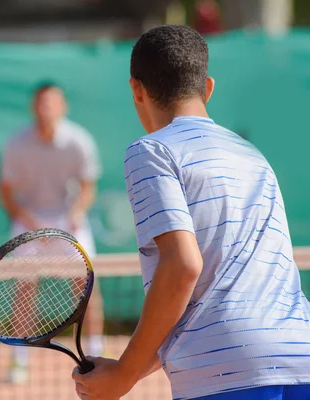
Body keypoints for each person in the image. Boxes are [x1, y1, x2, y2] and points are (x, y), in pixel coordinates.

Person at [71, 24, 310, 400]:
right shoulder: (252, 156)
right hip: (301, 354)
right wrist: (128, 368)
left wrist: (125, 375)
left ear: (136, 90)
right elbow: (208, 294)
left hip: (226, 376)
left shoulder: (151, 151)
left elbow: (182, 268)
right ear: (208, 88)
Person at [0, 82, 105, 384]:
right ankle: (19, 361)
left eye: (51, 103)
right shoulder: (16, 144)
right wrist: (27, 219)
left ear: (63, 108)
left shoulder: (78, 141)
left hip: (67, 219)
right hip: (29, 220)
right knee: (23, 289)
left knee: (87, 287)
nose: (45, 109)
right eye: (40, 104)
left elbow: (87, 185)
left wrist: (75, 213)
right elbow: (5, 191)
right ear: (34, 108)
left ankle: (95, 352)